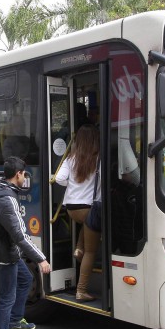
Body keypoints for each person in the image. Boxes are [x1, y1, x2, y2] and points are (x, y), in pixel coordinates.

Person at [0, 156, 51, 329]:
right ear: (18, 174)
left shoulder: (2, 190)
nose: (25, 177)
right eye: (24, 174)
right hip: (5, 255)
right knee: (7, 298)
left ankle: (15, 320)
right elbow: (20, 236)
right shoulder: (8, 200)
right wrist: (41, 259)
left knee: (25, 279)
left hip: (8, 252)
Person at [55, 124, 100, 302]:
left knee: (87, 226)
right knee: (91, 251)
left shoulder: (70, 159)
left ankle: (78, 248)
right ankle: (81, 290)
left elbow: (59, 179)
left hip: (71, 209)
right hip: (88, 208)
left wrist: (72, 186)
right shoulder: (98, 160)